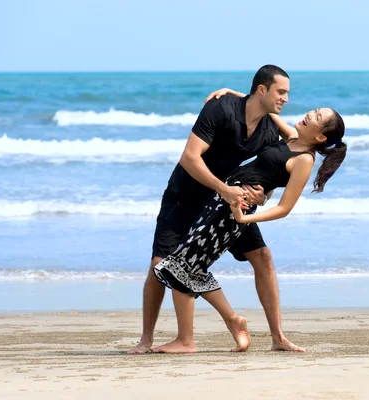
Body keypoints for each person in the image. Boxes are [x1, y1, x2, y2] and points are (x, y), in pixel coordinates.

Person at [151, 88, 347, 353]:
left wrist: (245, 216)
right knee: (185, 266)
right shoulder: (291, 138)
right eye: (313, 111)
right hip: (224, 199)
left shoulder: (303, 160)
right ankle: (230, 323)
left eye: (317, 117)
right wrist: (231, 92)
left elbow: (285, 207)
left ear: (321, 135)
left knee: (182, 266)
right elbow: (260, 104)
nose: (309, 114)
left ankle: (197, 336)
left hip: (232, 208)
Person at [128, 65, 305, 354]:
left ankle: (278, 337)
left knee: (263, 256)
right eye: (281, 92)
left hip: (227, 206)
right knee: (159, 264)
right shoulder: (220, 109)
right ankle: (146, 339)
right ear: (262, 90)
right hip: (185, 196)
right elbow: (189, 157)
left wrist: (262, 197)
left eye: (287, 93)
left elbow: (268, 173)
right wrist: (222, 188)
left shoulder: (270, 129)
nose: (286, 98)